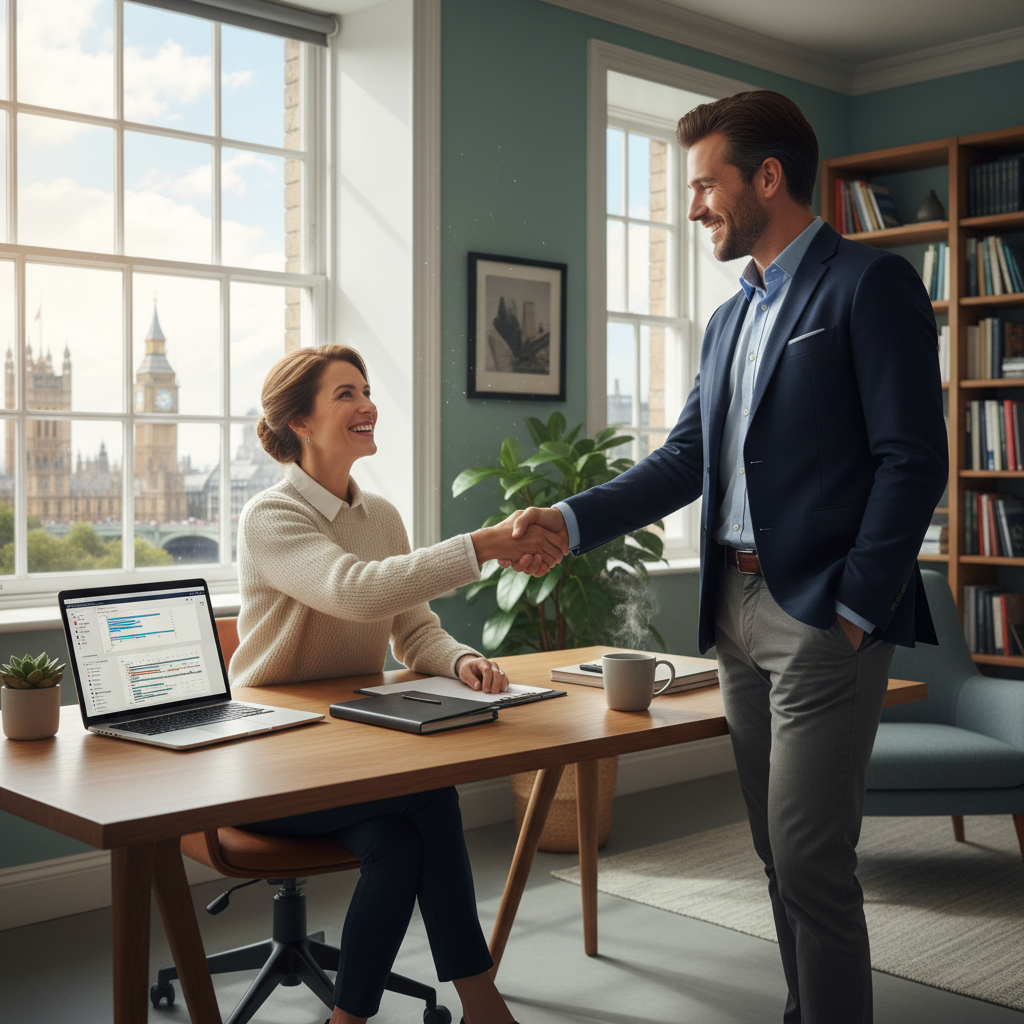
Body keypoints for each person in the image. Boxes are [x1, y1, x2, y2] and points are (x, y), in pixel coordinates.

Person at [507, 91, 948, 1024]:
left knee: (810, 853)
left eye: (706, 184)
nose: (695, 205)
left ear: (768, 178)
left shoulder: (870, 286)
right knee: (772, 849)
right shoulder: (728, 320)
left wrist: (857, 606)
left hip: (821, 615)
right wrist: (572, 519)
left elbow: (913, 460)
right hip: (732, 617)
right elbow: (683, 461)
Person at [232, 344, 566, 1024]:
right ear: (300, 422)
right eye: (345, 395)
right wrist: (481, 547)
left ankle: (352, 1017)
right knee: (428, 797)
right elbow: (353, 593)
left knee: (401, 840)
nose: (367, 405)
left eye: (365, 390)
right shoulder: (271, 516)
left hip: (346, 751)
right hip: (266, 764)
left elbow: (411, 627)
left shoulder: (379, 515)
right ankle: (481, 1002)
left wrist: (457, 659)